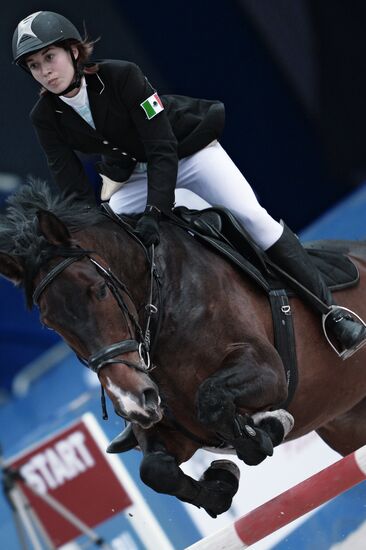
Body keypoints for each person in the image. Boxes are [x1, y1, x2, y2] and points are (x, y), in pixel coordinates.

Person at [12, 12, 366, 357]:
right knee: (116, 236)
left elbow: (161, 146)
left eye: (49, 57)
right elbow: (73, 189)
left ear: (73, 51)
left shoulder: (122, 76)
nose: (45, 71)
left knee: (253, 218)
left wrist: (155, 211)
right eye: (34, 65)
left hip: (188, 154)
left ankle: (331, 313)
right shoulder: (44, 117)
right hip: (132, 175)